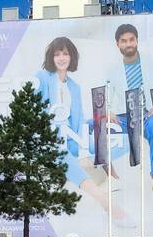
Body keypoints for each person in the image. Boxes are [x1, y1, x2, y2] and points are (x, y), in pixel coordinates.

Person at [34, 36, 130, 226]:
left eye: (65, 54)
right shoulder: (42, 77)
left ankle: (67, 169)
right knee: (64, 155)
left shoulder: (74, 87)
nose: (61, 58)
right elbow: (34, 111)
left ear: (72, 57)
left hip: (71, 138)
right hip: (47, 139)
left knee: (124, 142)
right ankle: (108, 205)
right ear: (51, 58)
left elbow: (77, 123)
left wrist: (85, 150)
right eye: (57, 54)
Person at [106, 22, 153, 213]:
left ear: (137, 40)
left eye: (131, 39)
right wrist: (108, 112)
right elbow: (105, 96)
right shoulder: (113, 68)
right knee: (92, 126)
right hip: (124, 117)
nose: (128, 44)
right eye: (124, 41)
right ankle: (111, 178)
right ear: (118, 44)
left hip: (148, 115)